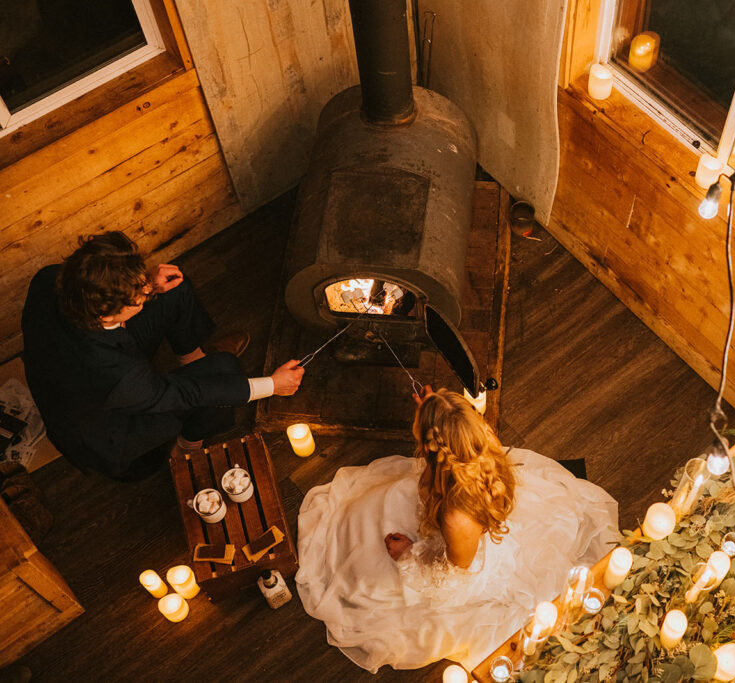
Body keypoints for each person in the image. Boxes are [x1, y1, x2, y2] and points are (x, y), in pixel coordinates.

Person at [295, 387, 619, 673]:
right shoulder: (481, 441)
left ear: (433, 448)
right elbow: (453, 428)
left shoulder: (456, 516)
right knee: (370, 509)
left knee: (364, 580)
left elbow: (454, 575)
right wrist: (435, 409)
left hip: (463, 560)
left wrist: (408, 554)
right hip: (459, 505)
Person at [20, 231, 305, 480]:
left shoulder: (50, 278)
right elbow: (187, 393)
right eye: (137, 294)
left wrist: (142, 284)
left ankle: (194, 360)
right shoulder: (119, 376)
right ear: (106, 312)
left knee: (174, 288)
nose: (145, 288)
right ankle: (186, 448)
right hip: (113, 432)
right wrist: (272, 385)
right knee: (222, 377)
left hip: (97, 359)